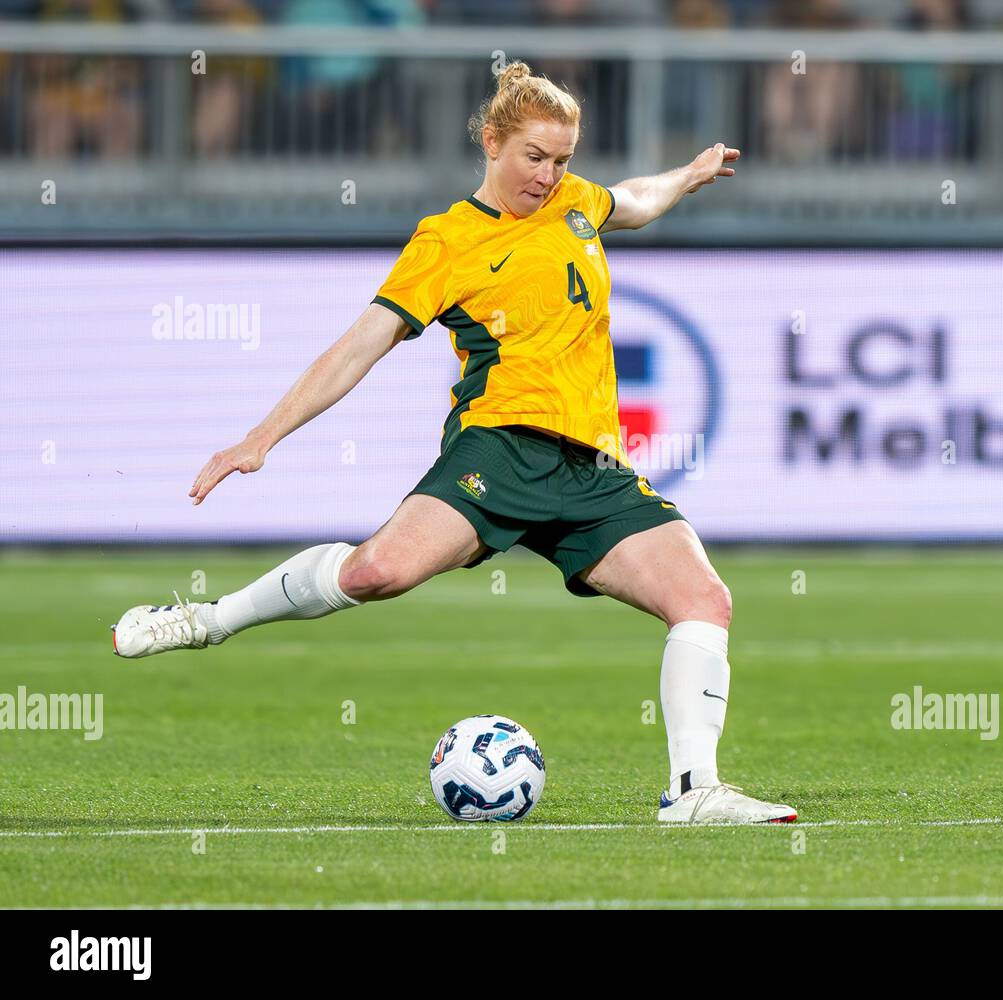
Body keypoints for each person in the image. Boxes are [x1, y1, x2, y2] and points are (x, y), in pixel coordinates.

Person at [112, 61, 797, 827]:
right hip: (498, 452)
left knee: (703, 599)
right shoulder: (447, 240)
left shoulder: (577, 206)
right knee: (375, 573)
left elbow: (634, 201)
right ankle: (207, 620)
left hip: (594, 467)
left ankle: (694, 789)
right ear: (493, 141)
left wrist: (691, 174)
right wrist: (260, 438)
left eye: (563, 159)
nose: (549, 175)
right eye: (534, 157)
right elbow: (358, 347)